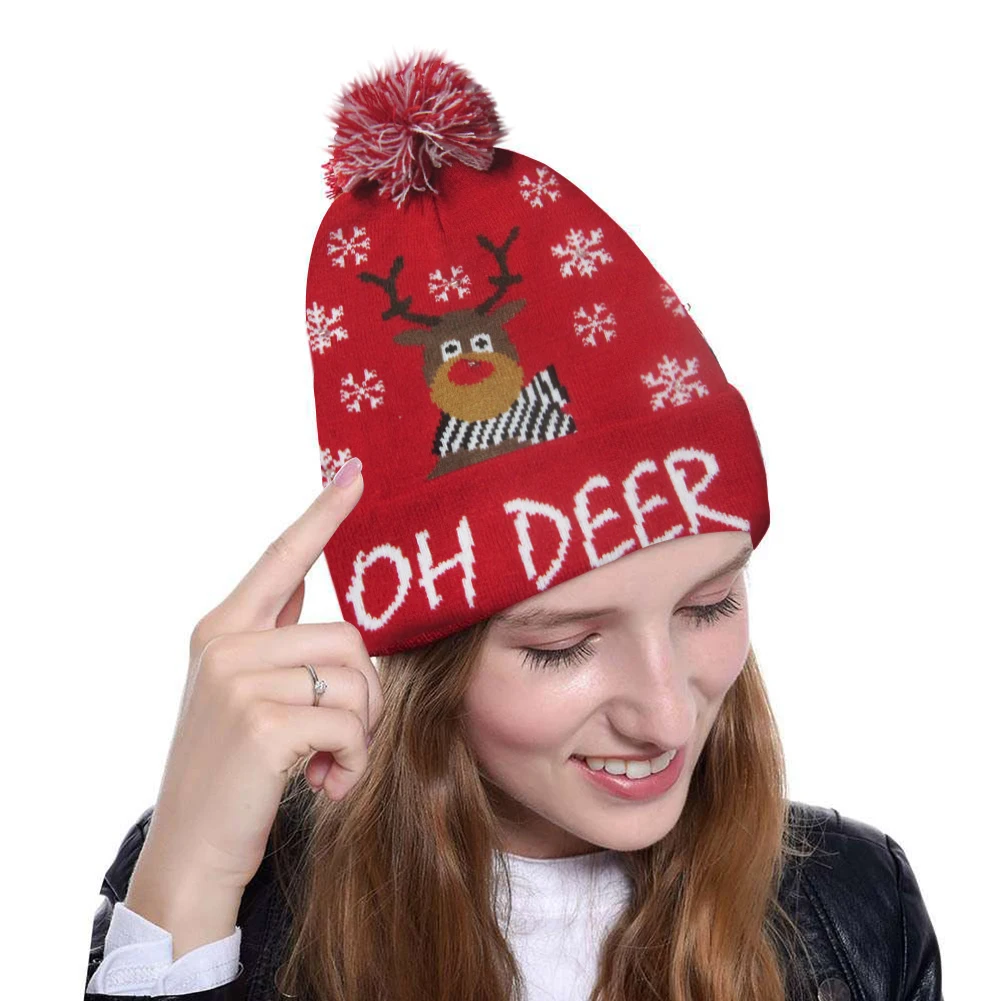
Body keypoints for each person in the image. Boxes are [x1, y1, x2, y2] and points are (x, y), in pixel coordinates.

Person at [83, 49, 944, 1001]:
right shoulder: (227, 891)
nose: (665, 716)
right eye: (560, 645)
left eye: (708, 605)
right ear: (423, 659)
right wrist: (191, 879)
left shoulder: (854, 906)